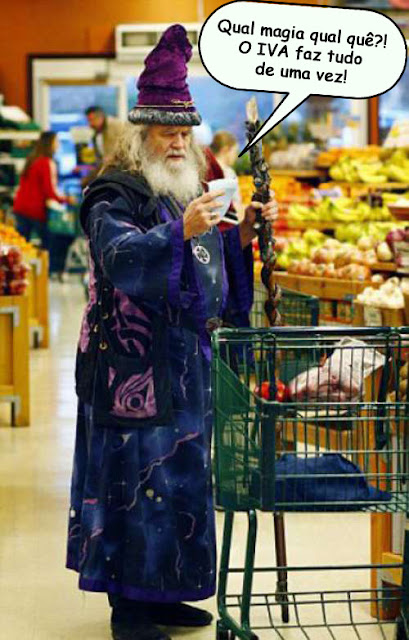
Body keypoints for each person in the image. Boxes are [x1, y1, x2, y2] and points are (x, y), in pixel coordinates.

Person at [67, 25, 278, 640]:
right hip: (129, 370)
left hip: (183, 369)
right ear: (142, 136)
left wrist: (240, 235)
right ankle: (130, 606)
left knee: (181, 479)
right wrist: (178, 233)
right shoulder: (114, 193)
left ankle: (165, 593)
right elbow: (120, 258)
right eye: (168, 132)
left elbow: (205, 262)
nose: (180, 143)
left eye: (185, 132)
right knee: (135, 483)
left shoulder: (181, 190)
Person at [13, 131, 74, 251]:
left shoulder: (32, 159)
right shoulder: (46, 162)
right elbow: (49, 191)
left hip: (20, 207)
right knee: (47, 246)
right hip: (35, 210)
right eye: (56, 141)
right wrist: (67, 199)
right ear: (50, 143)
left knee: (21, 247)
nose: (58, 145)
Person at [210, 130, 243, 216]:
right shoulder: (228, 173)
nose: (235, 156)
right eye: (235, 152)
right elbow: (236, 205)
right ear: (225, 150)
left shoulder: (205, 167)